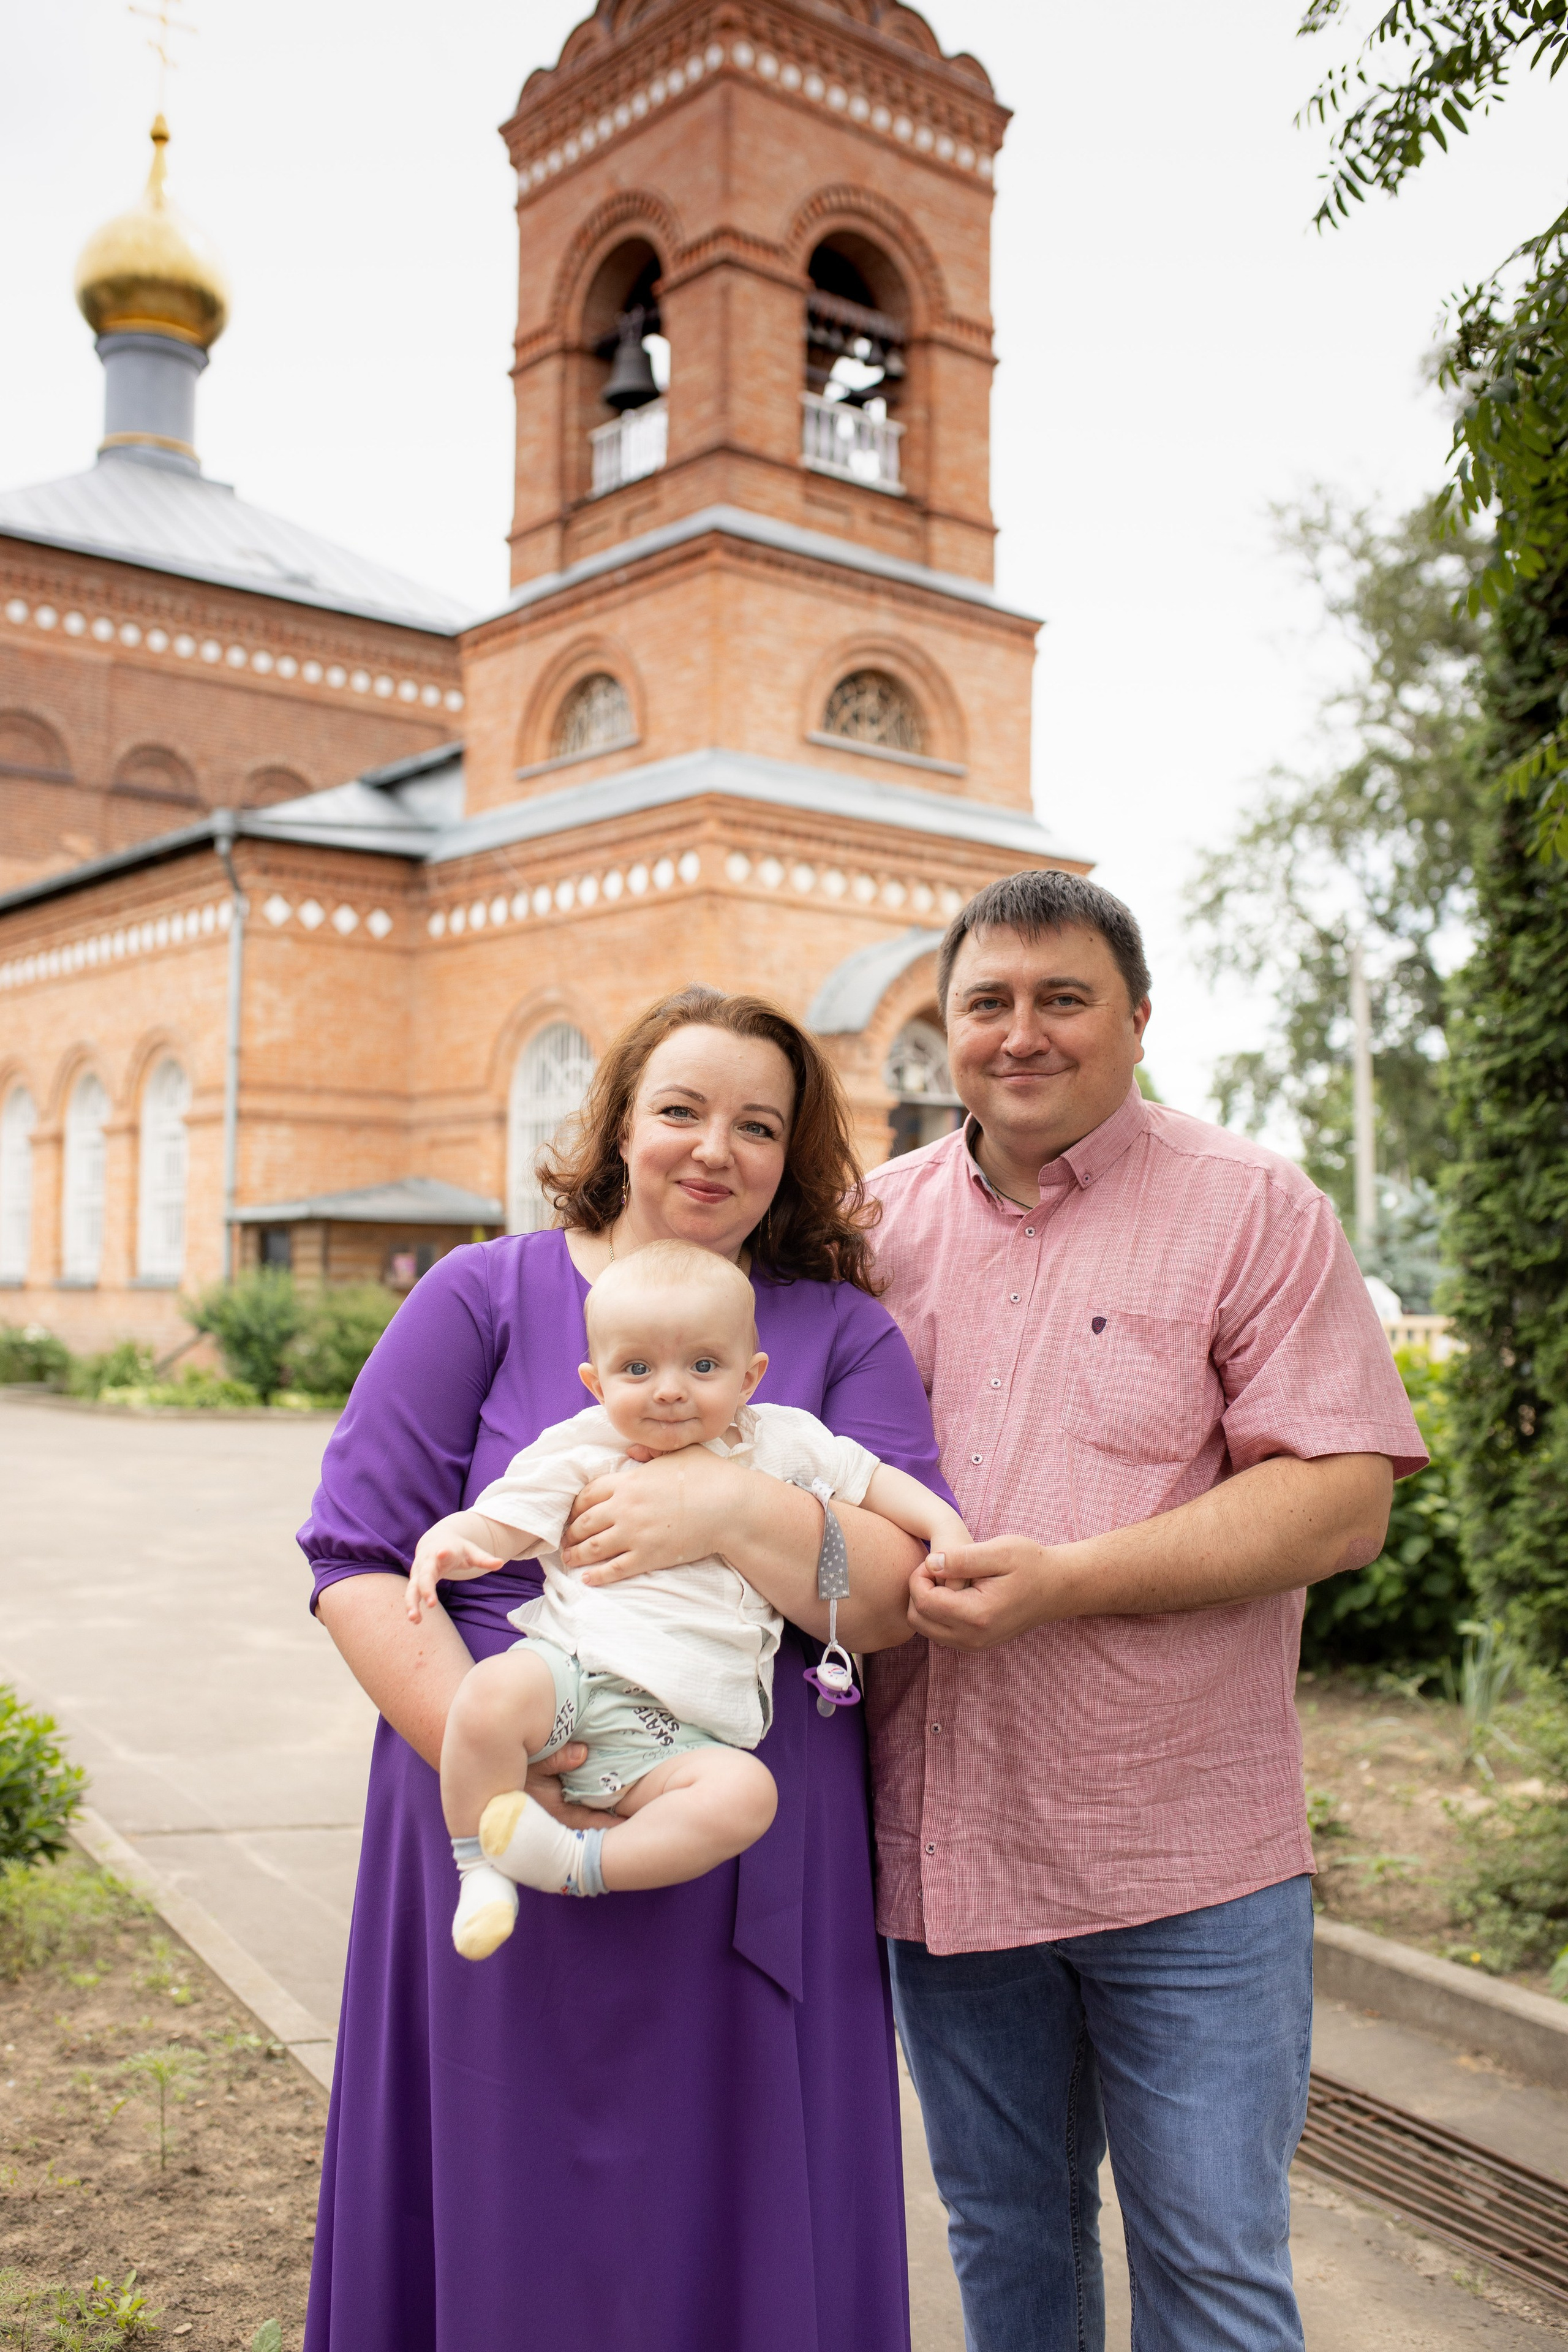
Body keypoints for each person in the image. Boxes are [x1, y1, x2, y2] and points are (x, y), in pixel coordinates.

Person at [303, 986, 954, 2352]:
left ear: (794, 1153)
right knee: (501, 2191)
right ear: (616, 1123)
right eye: (681, 1110)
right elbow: (358, 1558)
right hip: (487, 1794)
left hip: (739, 1834)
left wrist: (725, 1512)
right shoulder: (479, 1295)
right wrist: (513, 1775)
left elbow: (893, 1596)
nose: (714, 1149)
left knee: (724, 2209)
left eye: (758, 1125)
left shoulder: (840, 1334)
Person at [862, 869, 1427, 2352]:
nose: (1019, 1032)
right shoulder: (871, 1226)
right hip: (946, 1845)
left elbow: (1339, 1497)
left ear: (1134, 1021)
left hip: (1185, 1853)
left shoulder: (1249, 1206)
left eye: (1063, 998)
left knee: (1212, 2269)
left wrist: (1064, 1580)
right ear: (943, 1022)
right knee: (1009, 2244)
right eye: (986, 1000)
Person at [406, 1240, 968, 1951]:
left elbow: (873, 1480)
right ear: (594, 1382)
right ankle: (481, 1869)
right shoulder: (583, 1448)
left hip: (690, 1732)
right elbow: (510, 1517)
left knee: (746, 1797)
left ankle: (579, 1864)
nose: (669, 1389)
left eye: (702, 1366)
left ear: (749, 1377)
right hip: (573, 1680)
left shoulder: (781, 1443)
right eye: (636, 1368)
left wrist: (941, 1524)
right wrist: (453, 1538)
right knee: (488, 1694)